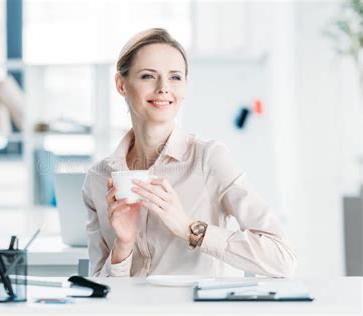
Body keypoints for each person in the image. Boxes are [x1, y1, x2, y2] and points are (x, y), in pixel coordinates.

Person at [82, 28, 297, 278]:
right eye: (148, 76)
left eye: (175, 77)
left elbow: (282, 259)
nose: (163, 88)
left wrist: (189, 229)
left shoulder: (209, 159)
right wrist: (123, 245)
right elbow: (100, 296)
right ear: (121, 84)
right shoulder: (98, 178)